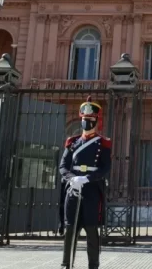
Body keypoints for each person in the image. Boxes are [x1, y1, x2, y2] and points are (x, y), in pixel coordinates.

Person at [59, 96, 112, 269]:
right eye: (84, 119)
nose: (86, 122)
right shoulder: (72, 142)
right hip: (73, 190)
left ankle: (93, 266)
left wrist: (87, 178)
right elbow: (63, 166)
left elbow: (105, 168)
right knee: (70, 230)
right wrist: (72, 179)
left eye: (89, 120)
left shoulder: (103, 144)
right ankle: (66, 264)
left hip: (91, 191)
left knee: (91, 230)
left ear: (96, 121)